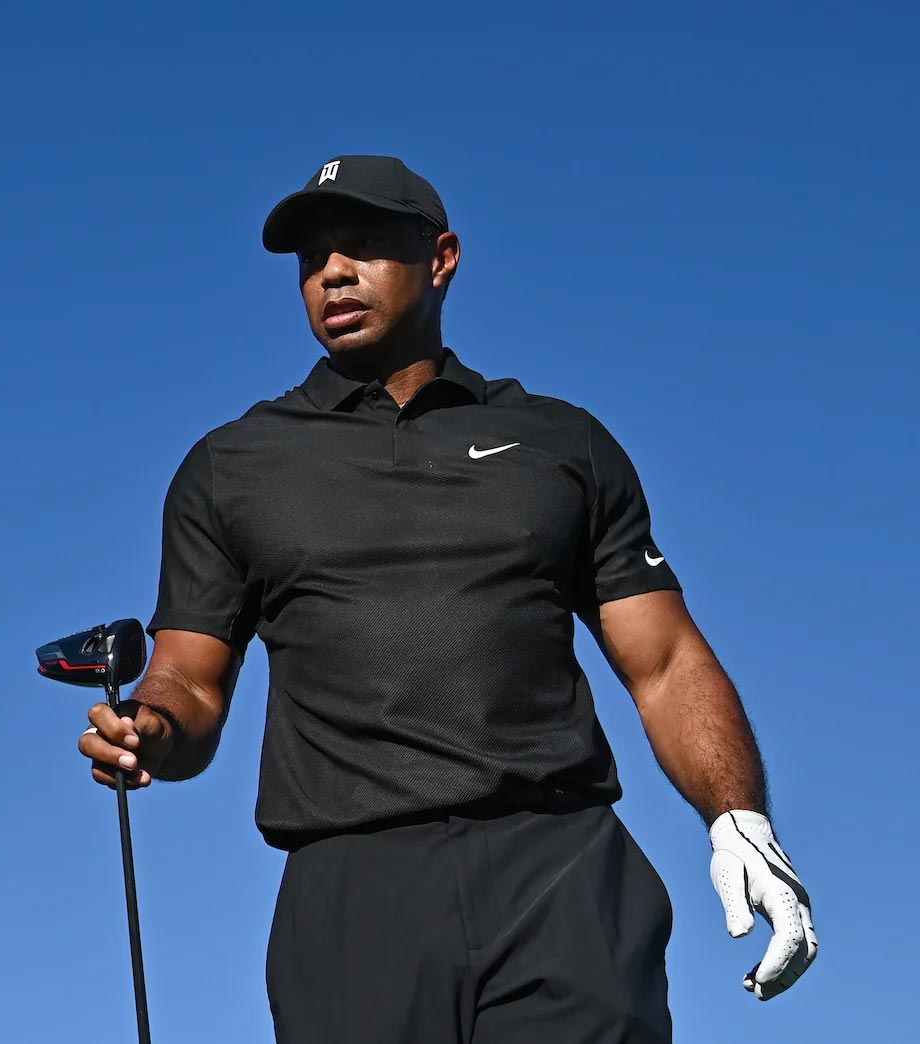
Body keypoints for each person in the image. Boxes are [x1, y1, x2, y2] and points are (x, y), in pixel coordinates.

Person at [77, 155, 817, 1042]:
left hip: (562, 870)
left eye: (362, 247)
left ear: (442, 258)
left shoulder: (561, 442)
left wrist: (740, 818)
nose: (333, 274)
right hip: (352, 888)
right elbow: (189, 685)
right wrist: (147, 728)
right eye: (312, 259)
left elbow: (664, 662)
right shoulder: (230, 466)